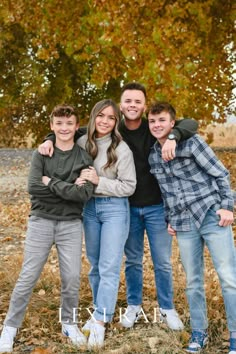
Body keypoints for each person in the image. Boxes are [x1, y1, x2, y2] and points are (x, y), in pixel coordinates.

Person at [38, 82, 198, 331]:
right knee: (132, 260)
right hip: (127, 208)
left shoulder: (154, 127)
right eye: (128, 101)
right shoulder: (113, 126)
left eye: (137, 101)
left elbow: (190, 124)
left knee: (163, 261)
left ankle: (167, 308)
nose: (132, 105)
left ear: (144, 105)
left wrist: (173, 137)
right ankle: (133, 306)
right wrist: (49, 138)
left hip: (156, 206)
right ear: (121, 106)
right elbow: (72, 130)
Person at [0, 105, 94, 353]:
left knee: (72, 278)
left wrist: (50, 182)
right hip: (41, 220)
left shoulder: (84, 157)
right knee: (28, 276)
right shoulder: (41, 154)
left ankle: (69, 323)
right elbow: (33, 188)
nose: (64, 128)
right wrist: (67, 188)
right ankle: (9, 327)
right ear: (51, 126)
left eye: (69, 123)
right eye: (59, 124)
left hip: (71, 224)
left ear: (76, 126)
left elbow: (83, 195)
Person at [148, 101, 236, 353]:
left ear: (172, 123)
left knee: (228, 277)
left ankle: (235, 335)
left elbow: (220, 174)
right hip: (183, 222)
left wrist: (227, 207)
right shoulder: (153, 155)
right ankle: (199, 332)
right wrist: (169, 219)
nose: (156, 125)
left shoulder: (192, 143)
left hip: (211, 215)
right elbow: (165, 191)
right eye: (152, 121)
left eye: (161, 120)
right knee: (192, 281)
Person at [73, 99, 136, 348]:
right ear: (93, 117)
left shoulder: (121, 149)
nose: (105, 121)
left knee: (109, 266)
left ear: (116, 122)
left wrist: (99, 181)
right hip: (89, 209)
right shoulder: (81, 143)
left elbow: (129, 186)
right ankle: (101, 311)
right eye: (101, 116)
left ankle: (99, 322)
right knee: (95, 266)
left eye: (111, 118)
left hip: (114, 209)